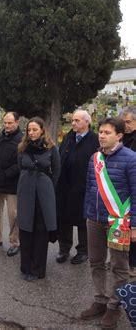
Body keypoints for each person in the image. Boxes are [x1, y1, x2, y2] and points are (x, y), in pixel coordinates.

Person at [80, 118, 136, 328]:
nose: (101, 136)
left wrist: (134, 226)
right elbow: (89, 187)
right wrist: (87, 212)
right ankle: (100, 300)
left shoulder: (131, 159)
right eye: (100, 132)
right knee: (96, 262)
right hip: (94, 219)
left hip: (119, 222)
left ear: (119, 135)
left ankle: (114, 306)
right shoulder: (94, 158)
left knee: (119, 266)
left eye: (107, 132)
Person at [17, 117, 60, 281]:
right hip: (26, 192)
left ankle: (37, 269)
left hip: (43, 193)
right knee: (26, 229)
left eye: (35, 129)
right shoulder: (22, 147)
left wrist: (47, 187)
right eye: (29, 130)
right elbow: (21, 166)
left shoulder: (51, 148)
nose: (31, 133)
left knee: (41, 231)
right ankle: (25, 266)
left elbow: (56, 171)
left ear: (42, 130)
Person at [55, 110, 99, 264]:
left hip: (84, 187)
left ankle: (83, 251)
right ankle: (64, 249)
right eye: (72, 120)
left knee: (82, 221)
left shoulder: (95, 140)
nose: (73, 123)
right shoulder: (68, 137)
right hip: (65, 187)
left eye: (77, 121)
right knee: (64, 219)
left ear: (87, 122)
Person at [0, 112, 23, 256]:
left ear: (17, 122)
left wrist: (6, 174)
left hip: (12, 184)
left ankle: (15, 242)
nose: (7, 126)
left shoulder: (21, 140)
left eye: (10, 123)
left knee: (13, 215)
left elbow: (20, 163)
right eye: (5, 123)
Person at [120, 107, 136, 274]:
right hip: (122, 189)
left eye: (128, 122)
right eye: (123, 122)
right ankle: (122, 259)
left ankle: (133, 263)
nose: (125, 125)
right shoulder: (121, 138)